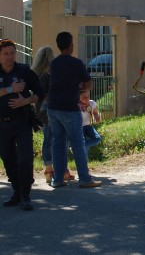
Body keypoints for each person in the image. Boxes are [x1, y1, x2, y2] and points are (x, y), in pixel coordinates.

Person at [48, 32, 102, 189]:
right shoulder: (76, 63)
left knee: (58, 143)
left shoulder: (54, 63)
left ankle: (57, 179)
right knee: (78, 142)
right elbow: (88, 84)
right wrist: (80, 90)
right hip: (70, 108)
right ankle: (84, 178)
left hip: (53, 107)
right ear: (70, 45)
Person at [0, 39, 44, 211]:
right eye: (6, 54)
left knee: (25, 159)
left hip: (22, 122)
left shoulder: (24, 71)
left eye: (12, 53)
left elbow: (40, 92)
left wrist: (26, 100)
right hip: (2, 125)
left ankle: (26, 195)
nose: (9, 57)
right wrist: (11, 89)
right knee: (8, 160)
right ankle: (16, 192)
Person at [31, 46, 74, 184]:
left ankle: (50, 170)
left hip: (42, 112)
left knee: (50, 139)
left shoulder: (37, 74)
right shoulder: (48, 75)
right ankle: (58, 170)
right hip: (52, 110)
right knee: (58, 140)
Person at [78, 90, 102, 160]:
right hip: (79, 127)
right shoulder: (75, 105)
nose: (86, 98)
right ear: (78, 96)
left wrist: (97, 117)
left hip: (88, 126)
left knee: (97, 139)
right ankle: (84, 164)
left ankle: (81, 145)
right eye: (84, 97)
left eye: (87, 96)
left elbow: (95, 112)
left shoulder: (91, 103)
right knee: (85, 145)